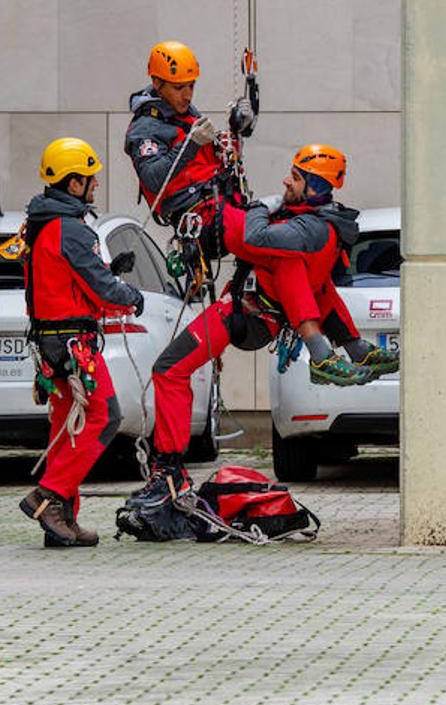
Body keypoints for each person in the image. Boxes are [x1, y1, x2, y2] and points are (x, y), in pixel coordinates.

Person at [130, 144, 399, 508]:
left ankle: (168, 471)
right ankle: (353, 350)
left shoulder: (303, 230)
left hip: (241, 315)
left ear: (316, 186)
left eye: (297, 177)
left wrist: (257, 206)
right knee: (172, 370)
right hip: (252, 314)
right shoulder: (323, 225)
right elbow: (322, 291)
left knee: (169, 369)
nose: (287, 181)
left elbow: (250, 236)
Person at [17, 138, 145, 547]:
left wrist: (107, 273)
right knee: (105, 417)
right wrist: (131, 295)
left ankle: (62, 523)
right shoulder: (71, 228)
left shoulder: (38, 225)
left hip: (50, 345)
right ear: (74, 183)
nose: (94, 186)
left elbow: (66, 281)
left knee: (65, 429)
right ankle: (50, 496)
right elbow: (102, 288)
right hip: (74, 345)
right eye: (90, 179)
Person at [124, 40, 255, 234]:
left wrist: (221, 145)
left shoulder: (180, 110)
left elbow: (195, 157)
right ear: (157, 83)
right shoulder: (144, 129)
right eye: (179, 88)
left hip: (220, 199)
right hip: (197, 215)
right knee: (261, 233)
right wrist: (192, 143)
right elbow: (153, 178)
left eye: (191, 86)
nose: (187, 96)